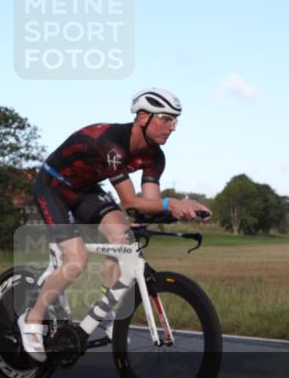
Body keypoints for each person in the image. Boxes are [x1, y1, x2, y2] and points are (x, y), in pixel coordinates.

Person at [19, 88, 211, 361]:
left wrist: (182, 211)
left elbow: (148, 205)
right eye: (166, 119)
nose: (172, 127)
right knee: (76, 260)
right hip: (53, 186)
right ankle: (32, 319)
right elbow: (131, 201)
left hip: (85, 189)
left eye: (175, 120)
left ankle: (104, 310)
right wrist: (172, 204)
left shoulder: (156, 157)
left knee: (122, 240)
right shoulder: (112, 143)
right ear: (143, 117)